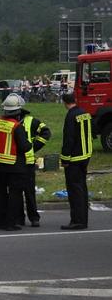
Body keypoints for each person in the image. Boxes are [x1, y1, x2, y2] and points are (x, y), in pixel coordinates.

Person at [0, 94, 32, 232]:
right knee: (14, 194)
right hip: (14, 167)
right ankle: (11, 223)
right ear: (18, 112)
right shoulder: (16, 126)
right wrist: (30, 143)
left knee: (1, 194)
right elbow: (25, 147)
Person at [60, 93, 92, 230]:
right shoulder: (84, 113)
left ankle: (77, 221)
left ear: (65, 102)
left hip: (74, 159)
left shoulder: (70, 116)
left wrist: (65, 159)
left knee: (75, 191)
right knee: (82, 189)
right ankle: (83, 219)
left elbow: (69, 139)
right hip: (85, 157)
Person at [18, 97, 51, 227]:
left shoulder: (31, 121)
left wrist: (34, 147)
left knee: (29, 192)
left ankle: (34, 218)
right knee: (16, 193)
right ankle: (19, 218)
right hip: (14, 163)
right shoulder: (9, 122)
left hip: (27, 162)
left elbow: (46, 132)